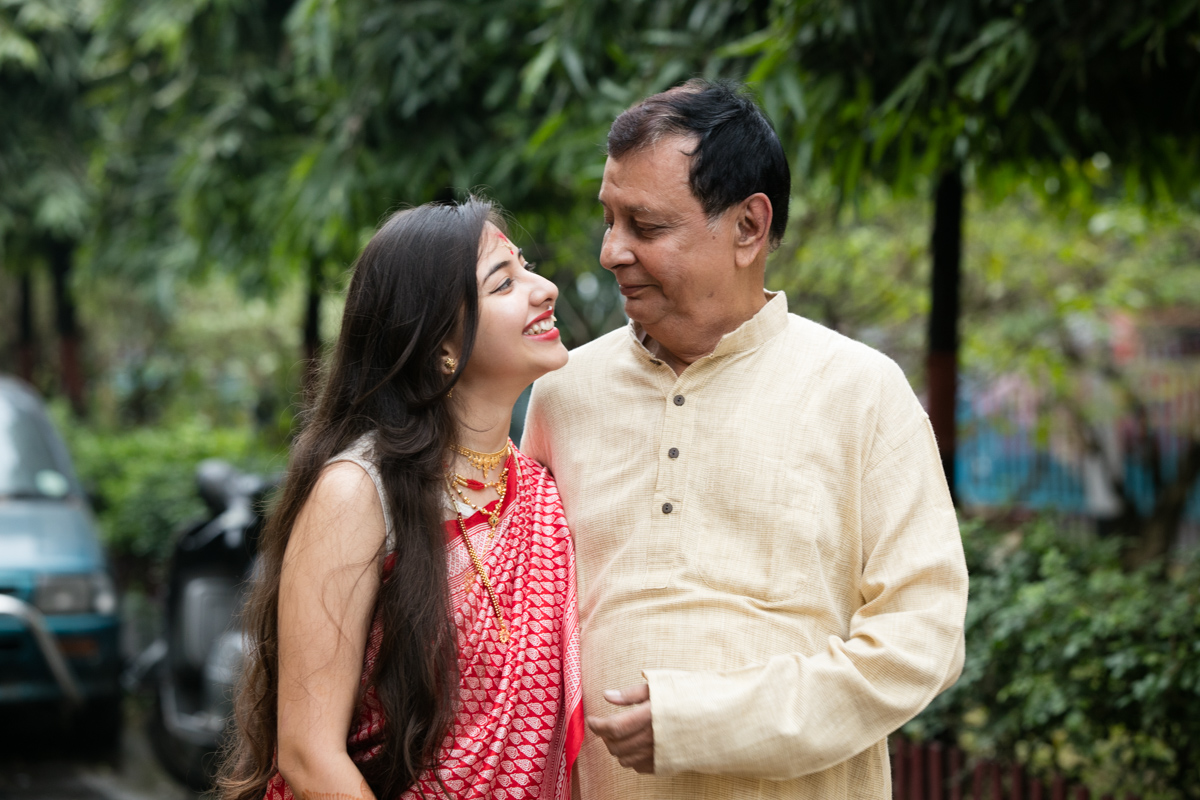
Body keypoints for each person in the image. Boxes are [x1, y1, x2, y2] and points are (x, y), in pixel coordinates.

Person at [522, 80, 969, 799]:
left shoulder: (860, 391)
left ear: (748, 228)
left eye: (645, 226)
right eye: (608, 219)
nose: (610, 251)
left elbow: (923, 641)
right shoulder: (564, 391)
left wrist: (707, 722)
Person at [217, 198, 583, 800]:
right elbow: (309, 754)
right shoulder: (357, 493)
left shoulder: (540, 490)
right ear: (440, 345)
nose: (544, 289)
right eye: (503, 283)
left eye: (528, 268)